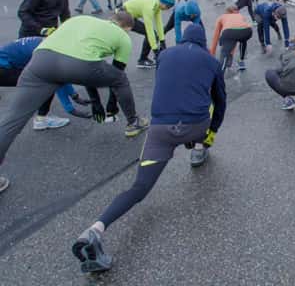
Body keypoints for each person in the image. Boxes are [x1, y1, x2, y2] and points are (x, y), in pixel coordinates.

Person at [71, 24, 226, 273]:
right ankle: (198, 147)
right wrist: (211, 134)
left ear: (182, 38)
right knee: (204, 106)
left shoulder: (164, 56)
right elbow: (220, 101)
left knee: (139, 188)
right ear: (203, 41)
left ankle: (94, 230)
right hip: (196, 126)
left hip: (161, 130)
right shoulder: (211, 61)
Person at [0, 13, 149, 195]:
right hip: (80, 65)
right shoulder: (123, 38)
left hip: (40, 61)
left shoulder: (80, 19)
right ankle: (133, 122)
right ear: (127, 28)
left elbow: (81, 54)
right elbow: (112, 75)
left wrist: (95, 101)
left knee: (11, 121)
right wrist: (108, 106)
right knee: (121, 80)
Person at [0, 36, 91, 119]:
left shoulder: (55, 44)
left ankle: (41, 118)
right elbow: (58, 79)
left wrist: (75, 96)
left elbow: (62, 76)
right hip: (3, 69)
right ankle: (41, 120)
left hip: (7, 65)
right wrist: (70, 109)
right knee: (46, 84)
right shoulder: (52, 54)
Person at [122, 0, 175, 68]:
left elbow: (159, 24)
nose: (167, 9)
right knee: (151, 33)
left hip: (129, 15)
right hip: (123, 16)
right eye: (168, 7)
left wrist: (163, 41)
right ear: (164, 2)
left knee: (154, 34)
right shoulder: (149, 7)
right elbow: (149, 29)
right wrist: (155, 50)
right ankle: (142, 60)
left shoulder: (157, 4)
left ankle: (143, 59)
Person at [209, 6, 253, 71]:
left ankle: (220, 74)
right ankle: (241, 61)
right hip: (247, 31)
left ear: (227, 12)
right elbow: (240, 28)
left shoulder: (222, 16)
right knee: (242, 39)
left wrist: (212, 54)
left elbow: (216, 36)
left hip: (229, 33)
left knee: (224, 53)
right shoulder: (239, 15)